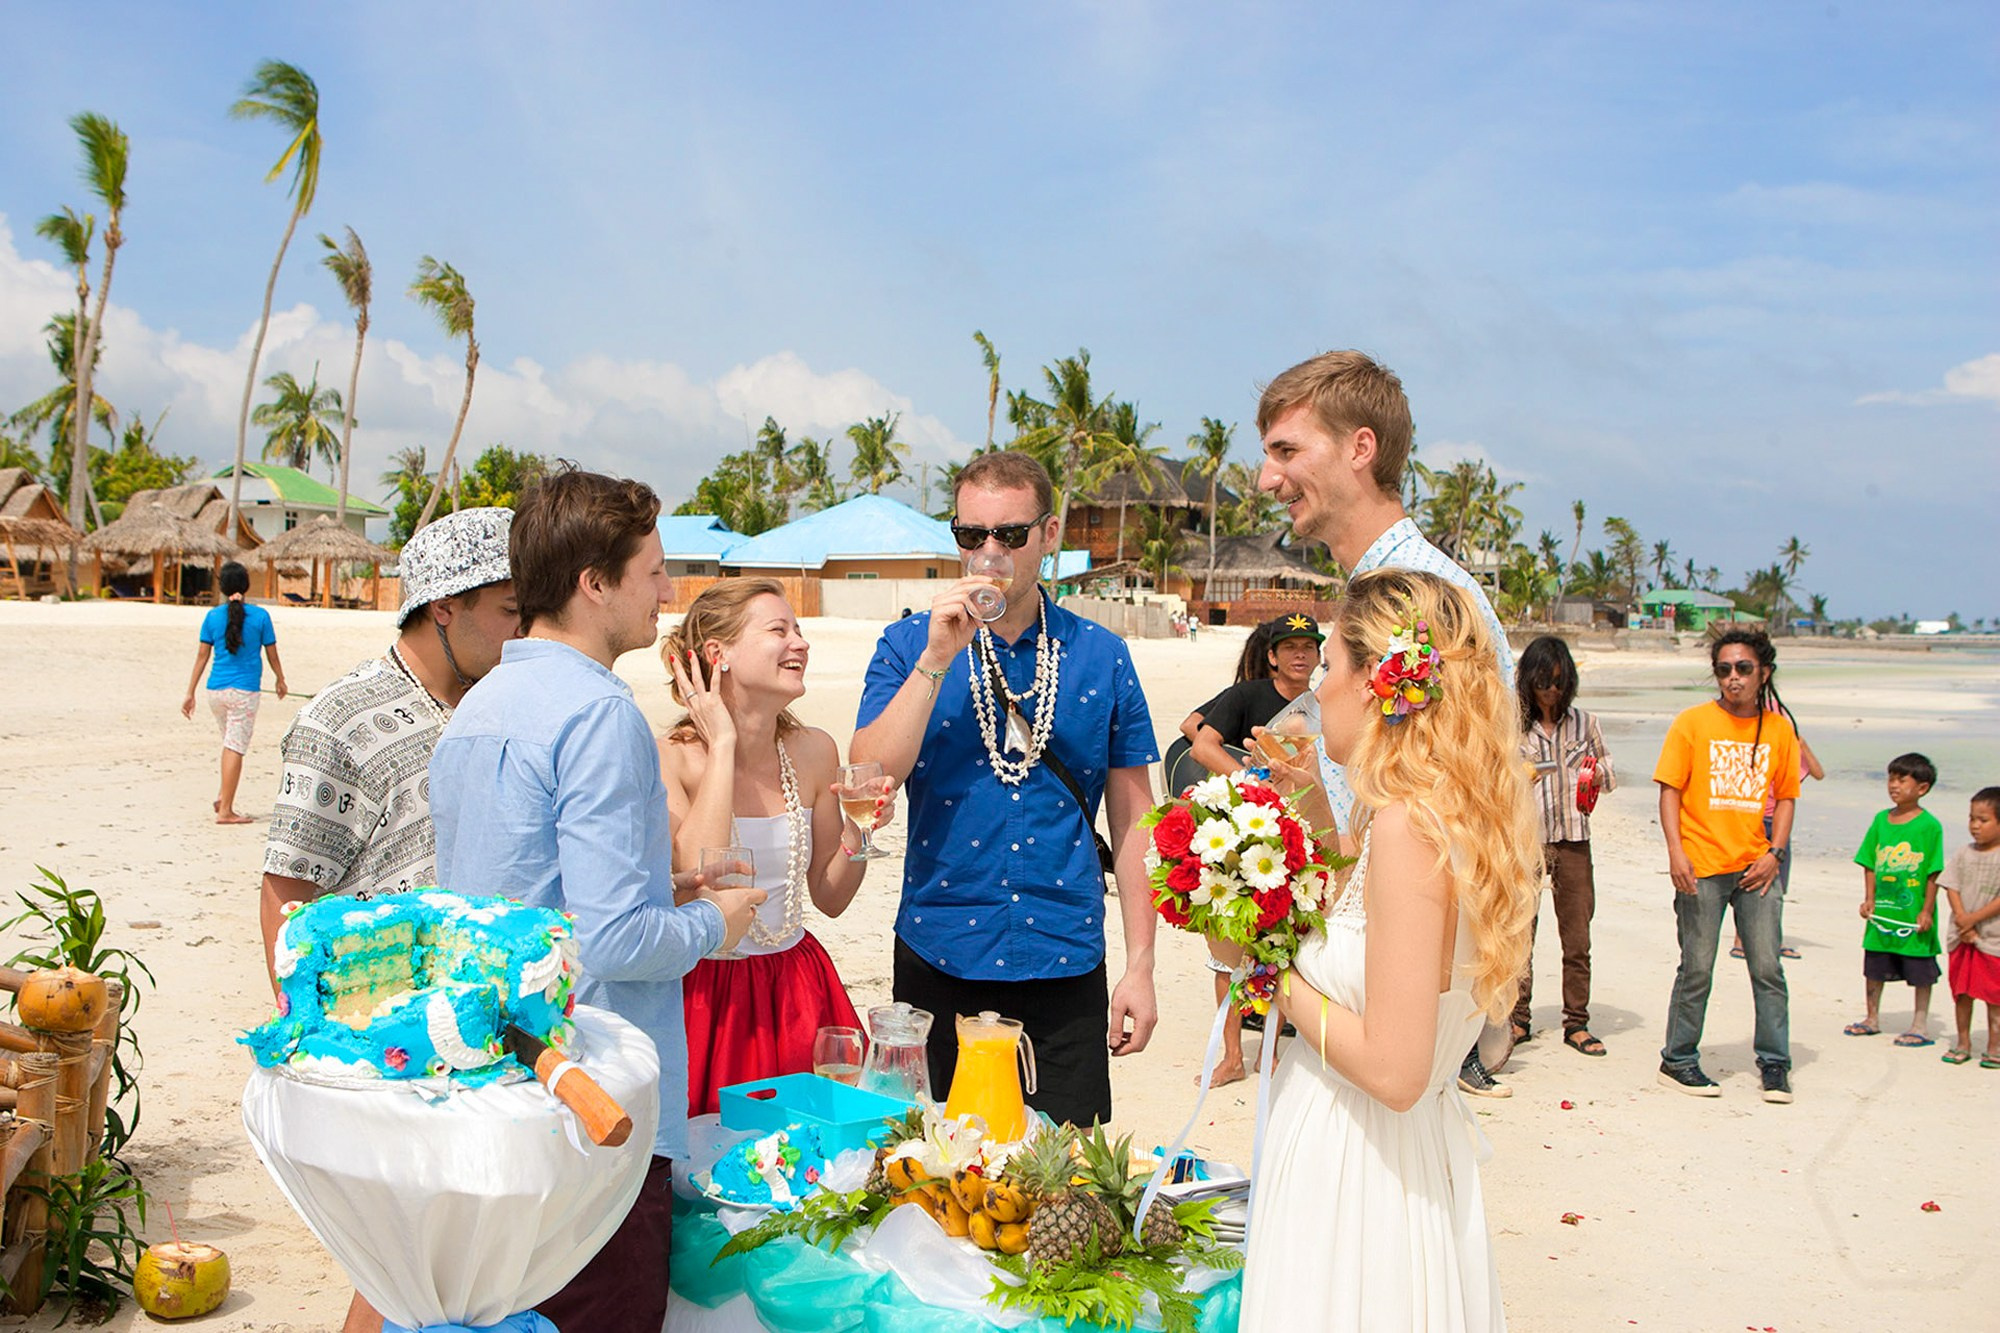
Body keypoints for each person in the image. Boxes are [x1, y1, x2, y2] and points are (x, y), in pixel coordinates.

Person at [429, 468, 765, 1333]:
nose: (667, 591)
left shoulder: (476, 706)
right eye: (652, 570)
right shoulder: (600, 712)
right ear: (594, 583)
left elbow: (515, 883)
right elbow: (610, 940)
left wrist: (666, 883)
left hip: (492, 1085)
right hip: (591, 1103)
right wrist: (712, 920)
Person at [1236, 567, 1540, 1329]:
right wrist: (1307, 789)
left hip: (1361, 1177)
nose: (1315, 689)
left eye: (1331, 666)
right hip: (1390, 1160)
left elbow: (1397, 1070)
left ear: (1377, 682)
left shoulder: (1410, 828)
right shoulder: (1416, 814)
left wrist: (1273, 976)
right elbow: (1368, 922)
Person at [256, 506, 518, 1333]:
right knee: (403, 1262)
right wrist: (315, 1044)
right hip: (383, 1036)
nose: (524, 630)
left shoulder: (499, 707)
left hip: (482, 1031)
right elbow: (287, 887)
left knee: (461, 1260)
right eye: (511, 610)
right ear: (444, 605)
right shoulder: (345, 718)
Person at [850, 450, 1160, 1128]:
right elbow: (870, 773)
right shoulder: (908, 645)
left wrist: (1142, 963)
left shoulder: (1101, 655)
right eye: (971, 535)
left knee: (1063, 1187)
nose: (989, 553)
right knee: (932, 1178)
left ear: (1048, 535)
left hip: (1064, 953)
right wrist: (937, 657)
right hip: (940, 950)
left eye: (1011, 535)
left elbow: (1136, 817)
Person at [1255, 349, 1518, 1099]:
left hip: (1376, 1044)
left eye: (1286, 451)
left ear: (1360, 448)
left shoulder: (1426, 602)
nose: (1267, 478)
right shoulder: (1381, 592)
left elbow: (1451, 828)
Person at [658, 578, 894, 1116]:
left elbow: (830, 897)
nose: (801, 643)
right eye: (779, 630)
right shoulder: (672, 757)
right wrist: (721, 744)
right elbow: (699, 881)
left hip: (797, 987)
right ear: (719, 654)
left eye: (800, 629)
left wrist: (862, 832)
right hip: (705, 996)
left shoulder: (814, 750)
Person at [1654, 628, 1801, 1103]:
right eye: (1723, 669)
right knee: (1696, 966)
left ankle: (1775, 1062)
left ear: (1764, 673)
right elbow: (1670, 791)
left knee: (1767, 967)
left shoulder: (1780, 730)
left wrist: (1774, 854)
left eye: (1743, 668)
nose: (1733, 678)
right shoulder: (1692, 723)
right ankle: (1677, 1060)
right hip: (1702, 864)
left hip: (1757, 867)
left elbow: (1788, 799)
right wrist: (1677, 853)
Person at [1180, 614, 1320, 1086]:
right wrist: (1251, 788)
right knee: (1228, 950)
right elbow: (1202, 746)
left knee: (1282, 948)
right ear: (1273, 656)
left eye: (1310, 646)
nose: (1301, 654)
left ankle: (1271, 1055)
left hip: (1292, 836)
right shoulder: (1245, 696)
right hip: (1239, 833)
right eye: (1291, 646)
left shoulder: (1321, 705)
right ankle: (1233, 1055)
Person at [1512, 634, 1617, 1056]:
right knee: (1519, 935)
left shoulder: (1586, 723)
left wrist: (1595, 774)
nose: (1551, 691)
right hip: (1526, 842)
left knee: (1577, 937)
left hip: (1574, 841)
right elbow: (1492, 777)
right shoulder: (1512, 726)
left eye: (1558, 683)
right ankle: (1518, 1019)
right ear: (1528, 682)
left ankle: (1577, 1022)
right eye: (1542, 683)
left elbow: (1610, 772)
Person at [1845, 752, 1945, 1046]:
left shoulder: (1930, 826)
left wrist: (1926, 910)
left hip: (1913, 915)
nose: (1894, 785)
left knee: (1920, 968)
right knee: (1874, 965)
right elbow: (1870, 863)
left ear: (1922, 788)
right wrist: (1869, 899)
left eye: (1902, 780)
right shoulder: (1880, 820)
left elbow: (1933, 871)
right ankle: (1872, 1018)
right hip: (1882, 914)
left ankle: (1919, 1024)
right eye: (1891, 778)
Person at [181, 560, 286, 824]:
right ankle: (226, 811)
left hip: (215, 691)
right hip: (244, 693)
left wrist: (190, 692)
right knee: (235, 747)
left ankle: (222, 797)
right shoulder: (260, 616)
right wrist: (280, 679)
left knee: (230, 744)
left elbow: (201, 657)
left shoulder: (212, 616)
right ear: (246, 584)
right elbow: (272, 654)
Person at [1732, 705, 1823, 961]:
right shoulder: (1753, 749)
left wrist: (1800, 742)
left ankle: (1772, 938)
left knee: (1778, 881)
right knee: (1748, 878)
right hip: (1753, 819)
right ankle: (1741, 938)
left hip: (1779, 821)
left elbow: (1818, 773)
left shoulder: (1788, 747)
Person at [1940, 787, 2000, 1067]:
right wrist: (1963, 918)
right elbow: (1951, 885)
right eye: (1971, 818)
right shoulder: (1964, 852)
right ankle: (1963, 1042)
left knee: (1994, 996)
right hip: (1961, 936)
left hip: (1992, 938)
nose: (1975, 825)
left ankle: (1994, 1046)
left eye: (1983, 820)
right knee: (1962, 992)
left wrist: (1974, 919)